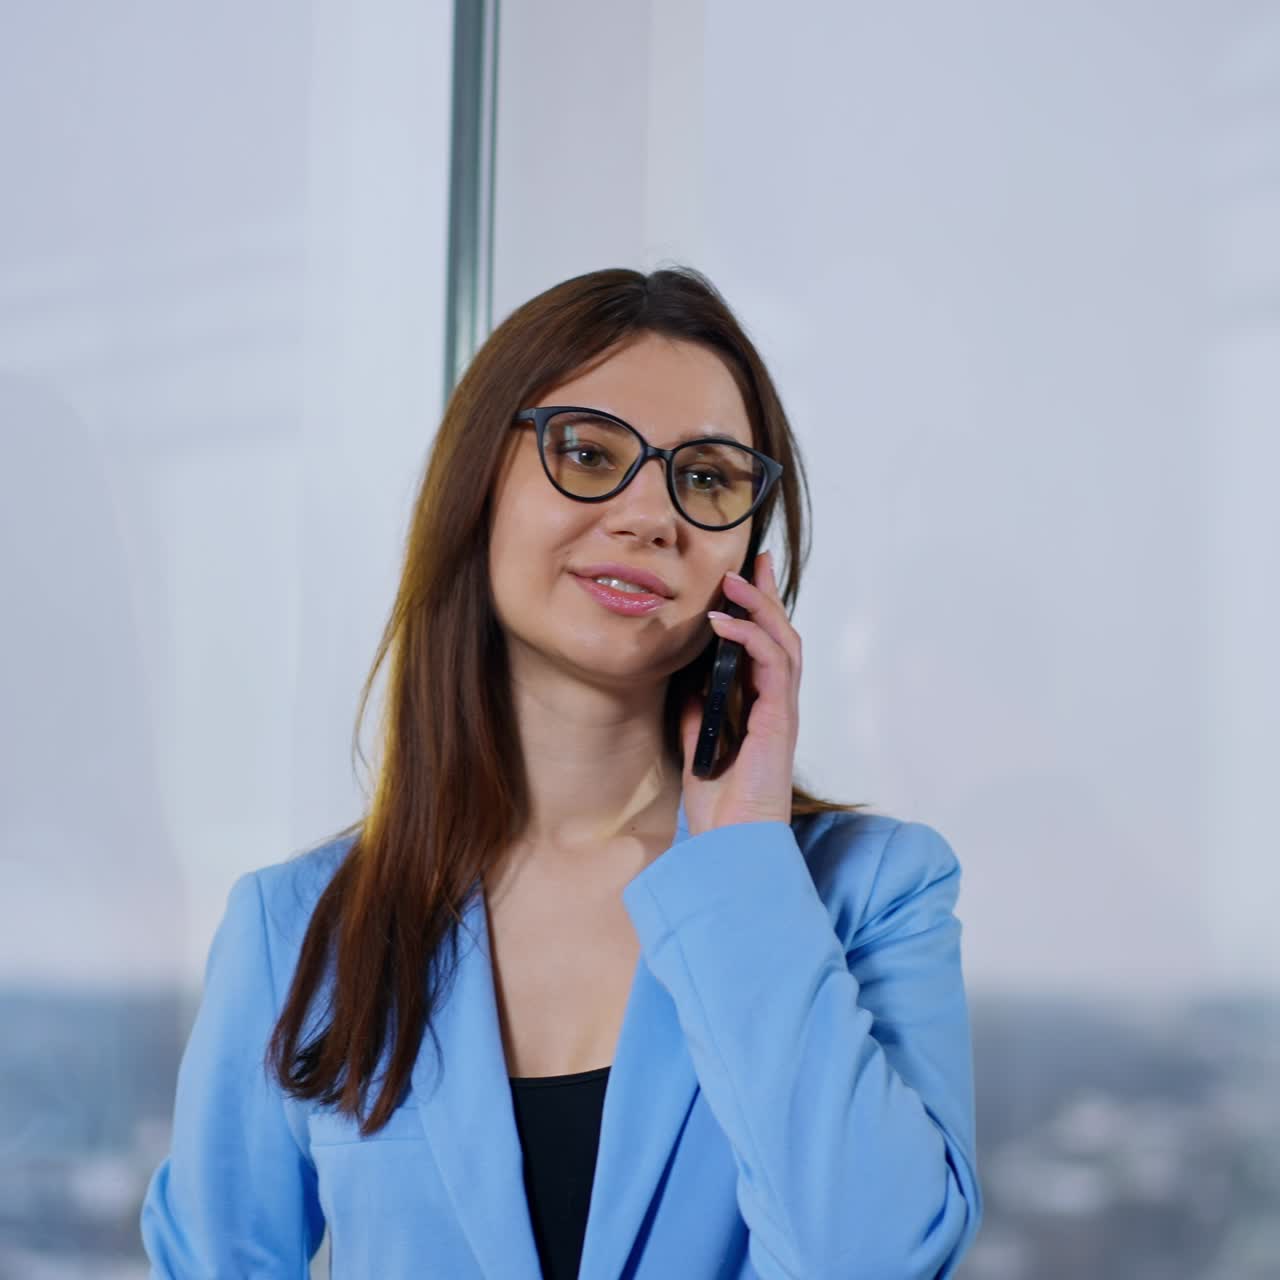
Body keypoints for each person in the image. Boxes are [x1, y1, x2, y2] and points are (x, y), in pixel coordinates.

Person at [139, 265, 983, 1278]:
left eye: (706, 477)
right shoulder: (298, 932)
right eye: (586, 451)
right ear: (478, 485)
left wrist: (745, 856)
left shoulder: (870, 891)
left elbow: (872, 1260)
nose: (648, 516)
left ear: (750, 554)